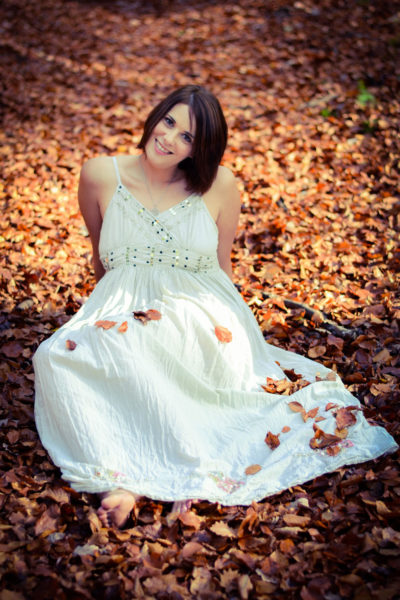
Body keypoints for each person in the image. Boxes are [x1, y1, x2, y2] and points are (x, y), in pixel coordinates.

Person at [33, 85, 397, 529]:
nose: (169, 139)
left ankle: (189, 469)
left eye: (187, 137)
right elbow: (100, 256)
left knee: (163, 335)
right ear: (155, 116)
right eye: (169, 122)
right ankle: (121, 475)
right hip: (122, 300)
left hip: (199, 305)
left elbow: (222, 266)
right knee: (58, 355)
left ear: (198, 149)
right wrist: (101, 320)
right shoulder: (99, 174)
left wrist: (236, 330)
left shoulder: (221, 185)